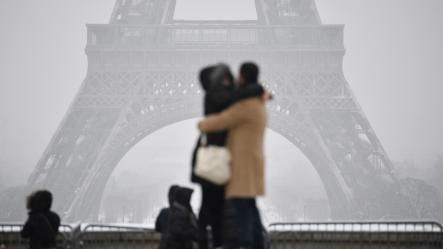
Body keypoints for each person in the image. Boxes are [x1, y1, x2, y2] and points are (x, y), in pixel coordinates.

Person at [191, 64, 265, 249]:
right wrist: (254, 89)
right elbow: (230, 101)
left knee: (217, 207)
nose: (228, 81)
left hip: (218, 162)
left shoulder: (225, 99)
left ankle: (221, 242)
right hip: (219, 161)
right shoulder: (217, 97)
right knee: (223, 206)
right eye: (224, 79)